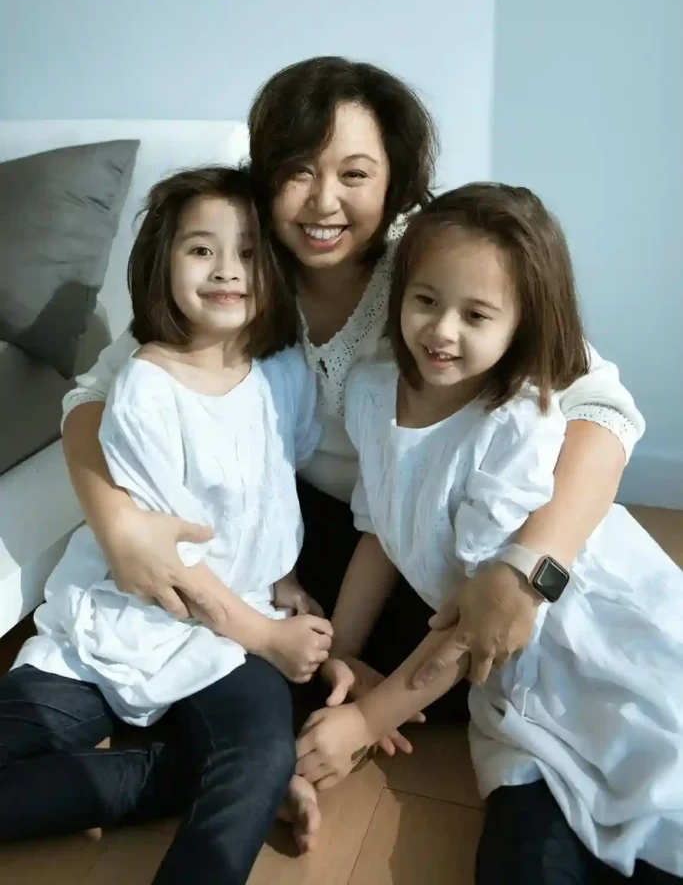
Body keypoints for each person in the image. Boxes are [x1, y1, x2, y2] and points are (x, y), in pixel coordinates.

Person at [60, 56, 644, 711]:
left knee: (481, 661)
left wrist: (529, 569)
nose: (323, 202)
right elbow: (92, 394)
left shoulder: (430, 271)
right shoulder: (237, 270)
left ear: (395, 182)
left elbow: (603, 405)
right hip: (308, 532)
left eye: (354, 175)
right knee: (245, 651)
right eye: (297, 171)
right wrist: (117, 526)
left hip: (432, 526)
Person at [294, 183, 683, 883]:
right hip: (505, 682)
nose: (442, 332)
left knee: (653, 799)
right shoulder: (372, 387)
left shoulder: (512, 424)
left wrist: (368, 720)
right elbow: (379, 531)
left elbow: (478, 621)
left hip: (587, 645)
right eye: (425, 302)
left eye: (475, 314)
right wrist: (344, 655)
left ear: (522, 322)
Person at [1, 167, 331, 883]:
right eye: (200, 250)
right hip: (134, 616)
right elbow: (166, 568)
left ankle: (202, 789)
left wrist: (286, 579)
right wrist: (269, 636)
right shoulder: (147, 388)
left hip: (228, 629)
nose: (226, 271)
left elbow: (274, 488)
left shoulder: (283, 367)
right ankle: (178, 774)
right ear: (161, 261)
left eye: (247, 252)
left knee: (259, 757)